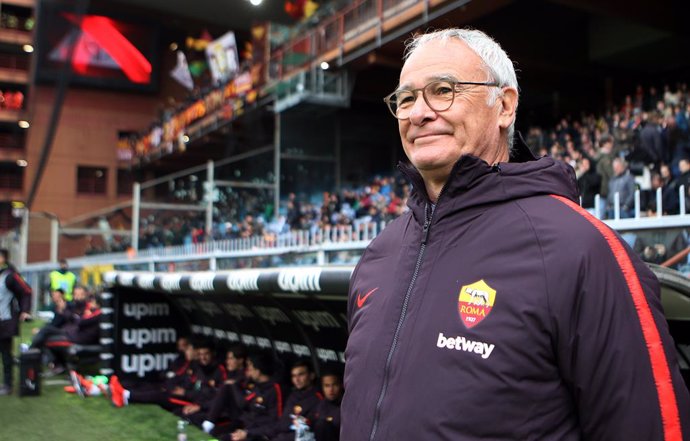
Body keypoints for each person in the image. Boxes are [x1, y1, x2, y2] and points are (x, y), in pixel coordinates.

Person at [342, 28, 690, 440]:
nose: (419, 112)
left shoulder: (582, 251)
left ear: (504, 106)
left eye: (442, 90)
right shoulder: (379, 254)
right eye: (406, 98)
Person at [0, 248, 32, 395]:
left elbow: (26, 291)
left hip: (5, 322)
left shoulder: (11, 276)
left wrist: (25, 310)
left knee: (6, 354)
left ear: (3, 258)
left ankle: (8, 384)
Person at [311, 371, 342, 441]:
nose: (331, 389)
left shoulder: (349, 405)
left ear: (341, 385)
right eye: (327, 386)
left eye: (334, 385)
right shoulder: (319, 406)